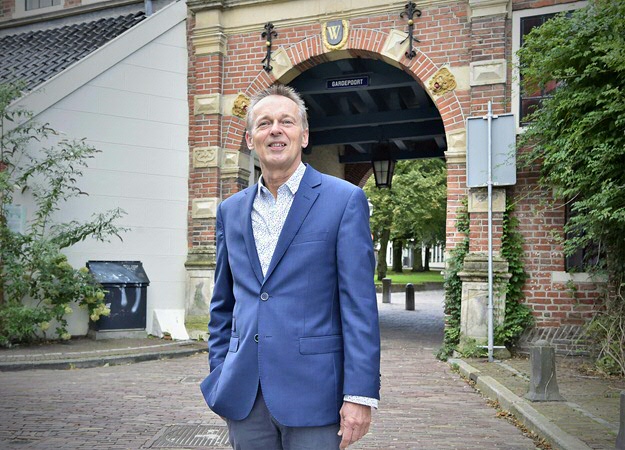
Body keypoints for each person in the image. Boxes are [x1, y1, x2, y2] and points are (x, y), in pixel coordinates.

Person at [200, 84, 381, 450]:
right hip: (245, 397)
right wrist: (220, 373)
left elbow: (358, 306)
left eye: (286, 121)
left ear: (304, 134)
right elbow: (223, 304)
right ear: (251, 139)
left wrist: (360, 395)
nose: (276, 130)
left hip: (315, 395)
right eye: (265, 123)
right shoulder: (230, 211)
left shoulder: (344, 200)